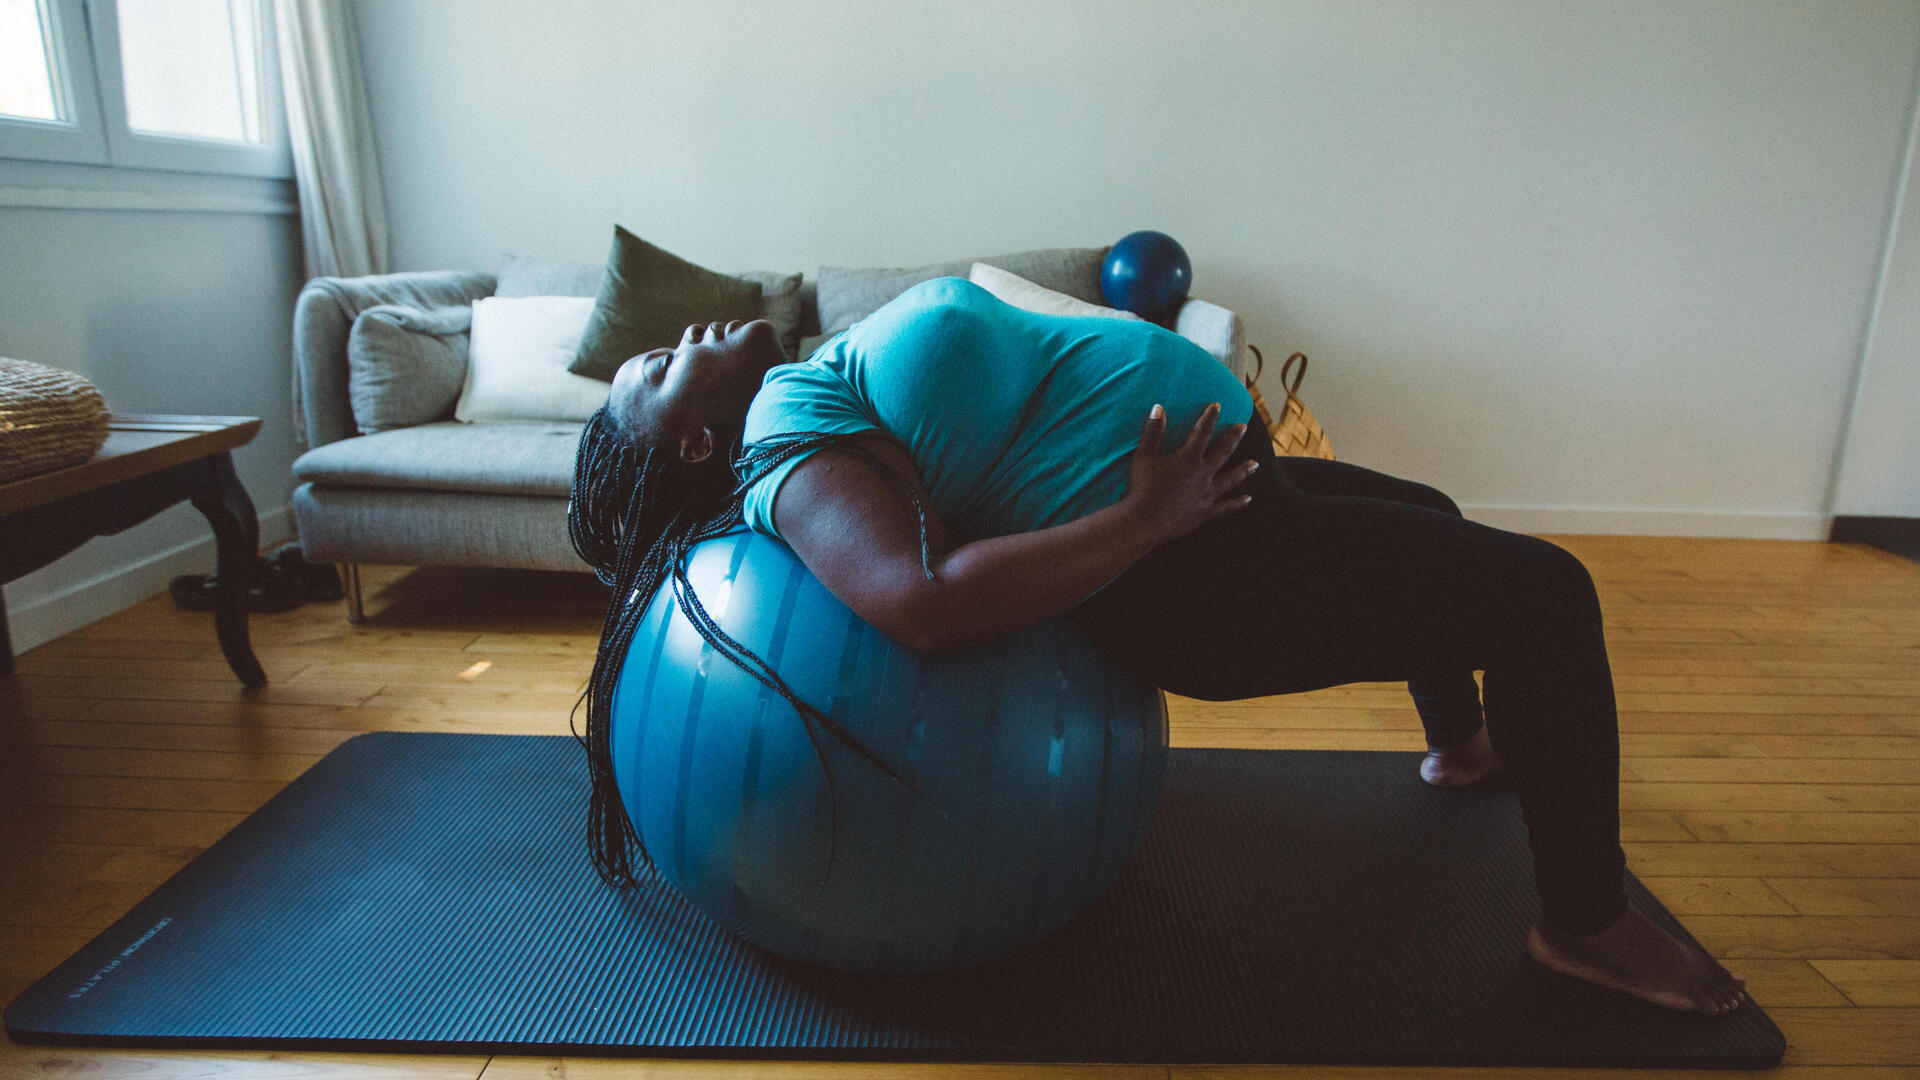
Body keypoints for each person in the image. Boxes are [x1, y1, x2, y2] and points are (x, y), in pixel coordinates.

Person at [568, 276, 1747, 1016]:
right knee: (1549, 593)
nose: (689, 333)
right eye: (662, 370)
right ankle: (1586, 923)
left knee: (1430, 513)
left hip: (1215, 497)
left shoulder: (806, 387)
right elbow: (917, 602)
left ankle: (1469, 744)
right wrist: (1147, 518)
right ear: (689, 450)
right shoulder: (784, 442)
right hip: (1194, 572)